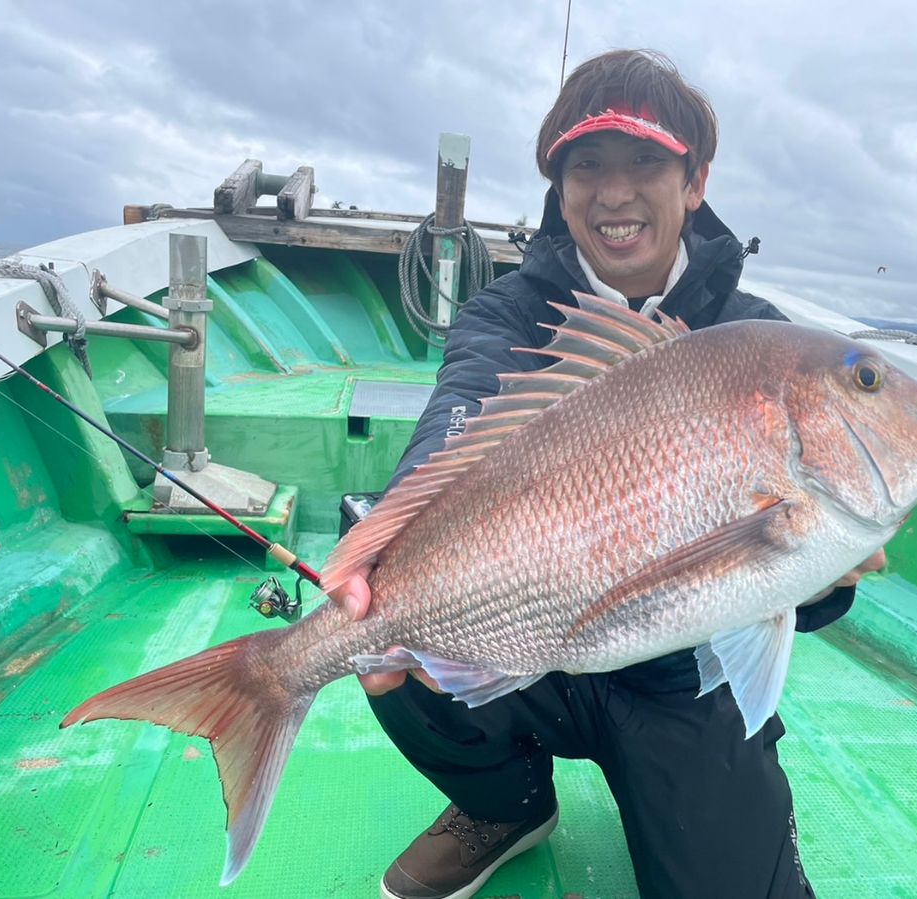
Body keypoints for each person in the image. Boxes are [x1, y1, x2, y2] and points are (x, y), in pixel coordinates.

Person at [331, 49, 885, 899]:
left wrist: (821, 575)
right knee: (389, 612)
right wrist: (380, 559)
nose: (614, 192)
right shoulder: (505, 312)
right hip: (523, 636)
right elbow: (457, 425)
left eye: (645, 163)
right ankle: (504, 804)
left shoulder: (754, 337)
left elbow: (792, 591)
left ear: (695, 181)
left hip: (678, 679)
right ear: (559, 187)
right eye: (586, 166)